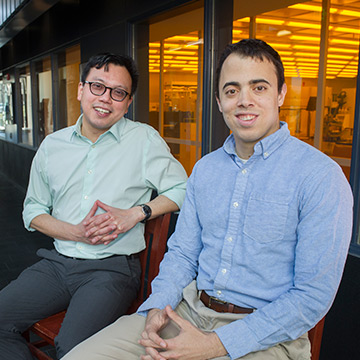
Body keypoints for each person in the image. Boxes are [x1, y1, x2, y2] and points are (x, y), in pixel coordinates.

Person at [62, 39, 353, 360]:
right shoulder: (205, 169)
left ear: (280, 93)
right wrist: (158, 305)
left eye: (259, 88)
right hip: (187, 312)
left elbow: (311, 297)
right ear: (218, 101)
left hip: (265, 336)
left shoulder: (320, 176)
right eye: (232, 91)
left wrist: (216, 344)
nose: (244, 100)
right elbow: (184, 254)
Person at [0, 53, 187, 359]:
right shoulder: (53, 146)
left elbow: (182, 188)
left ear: (127, 103)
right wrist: (75, 233)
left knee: (73, 348)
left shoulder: (142, 139)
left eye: (118, 93)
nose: (106, 99)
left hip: (111, 269)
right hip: (57, 263)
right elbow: (32, 210)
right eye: (97, 87)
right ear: (81, 90)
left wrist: (136, 213)